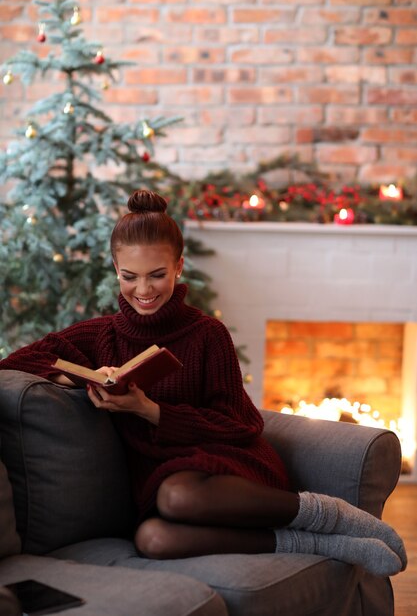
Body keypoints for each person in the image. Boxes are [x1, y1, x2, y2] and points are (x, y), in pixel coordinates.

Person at [0, 190, 406, 576]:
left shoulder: (207, 333)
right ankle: (316, 544)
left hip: (225, 466)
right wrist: (71, 376)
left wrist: (149, 411)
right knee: (153, 539)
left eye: (157, 275)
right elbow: (16, 360)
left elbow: (241, 424)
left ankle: (330, 515)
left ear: (179, 265)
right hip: (159, 481)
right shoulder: (100, 335)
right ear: (115, 269)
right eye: (130, 276)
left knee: (179, 496)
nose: (143, 290)